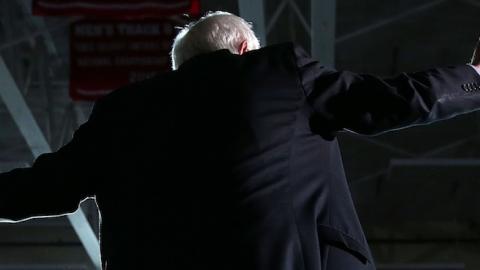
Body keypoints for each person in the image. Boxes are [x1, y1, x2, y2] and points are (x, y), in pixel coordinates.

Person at [1, 11, 480, 270]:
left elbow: (45, 187)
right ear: (244, 47)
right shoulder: (277, 72)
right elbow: (392, 101)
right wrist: (474, 78)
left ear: (179, 67)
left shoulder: (122, 110)